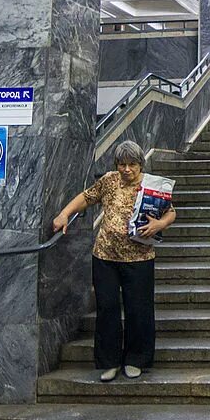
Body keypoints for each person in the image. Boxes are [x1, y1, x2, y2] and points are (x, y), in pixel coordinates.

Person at [51, 140, 175, 382]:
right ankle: (109, 362)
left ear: (141, 165)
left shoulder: (152, 186)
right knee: (107, 308)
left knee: (138, 310)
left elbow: (171, 211)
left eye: (132, 165)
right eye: (122, 164)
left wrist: (160, 224)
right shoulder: (108, 180)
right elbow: (87, 198)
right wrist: (64, 214)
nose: (126, 169)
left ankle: (135, 360)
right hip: (105, 256)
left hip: (139, 258)